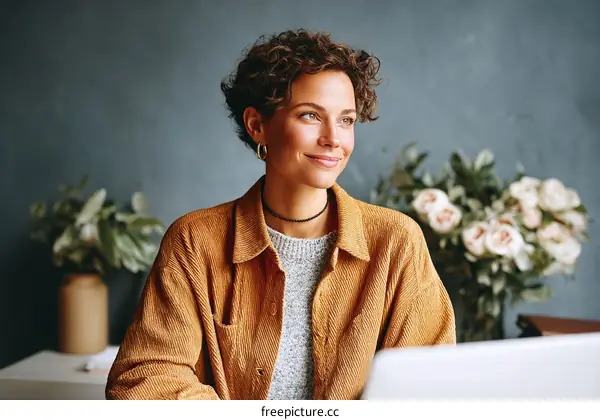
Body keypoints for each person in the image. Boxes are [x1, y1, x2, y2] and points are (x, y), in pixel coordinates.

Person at [105, 29, 456, 401]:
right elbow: (143, 378)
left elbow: (429, 385)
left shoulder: (396, 241)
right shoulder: (194, 241)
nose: (333, 138)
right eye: (310, 116)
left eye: (346, 120)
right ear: (258, 125)